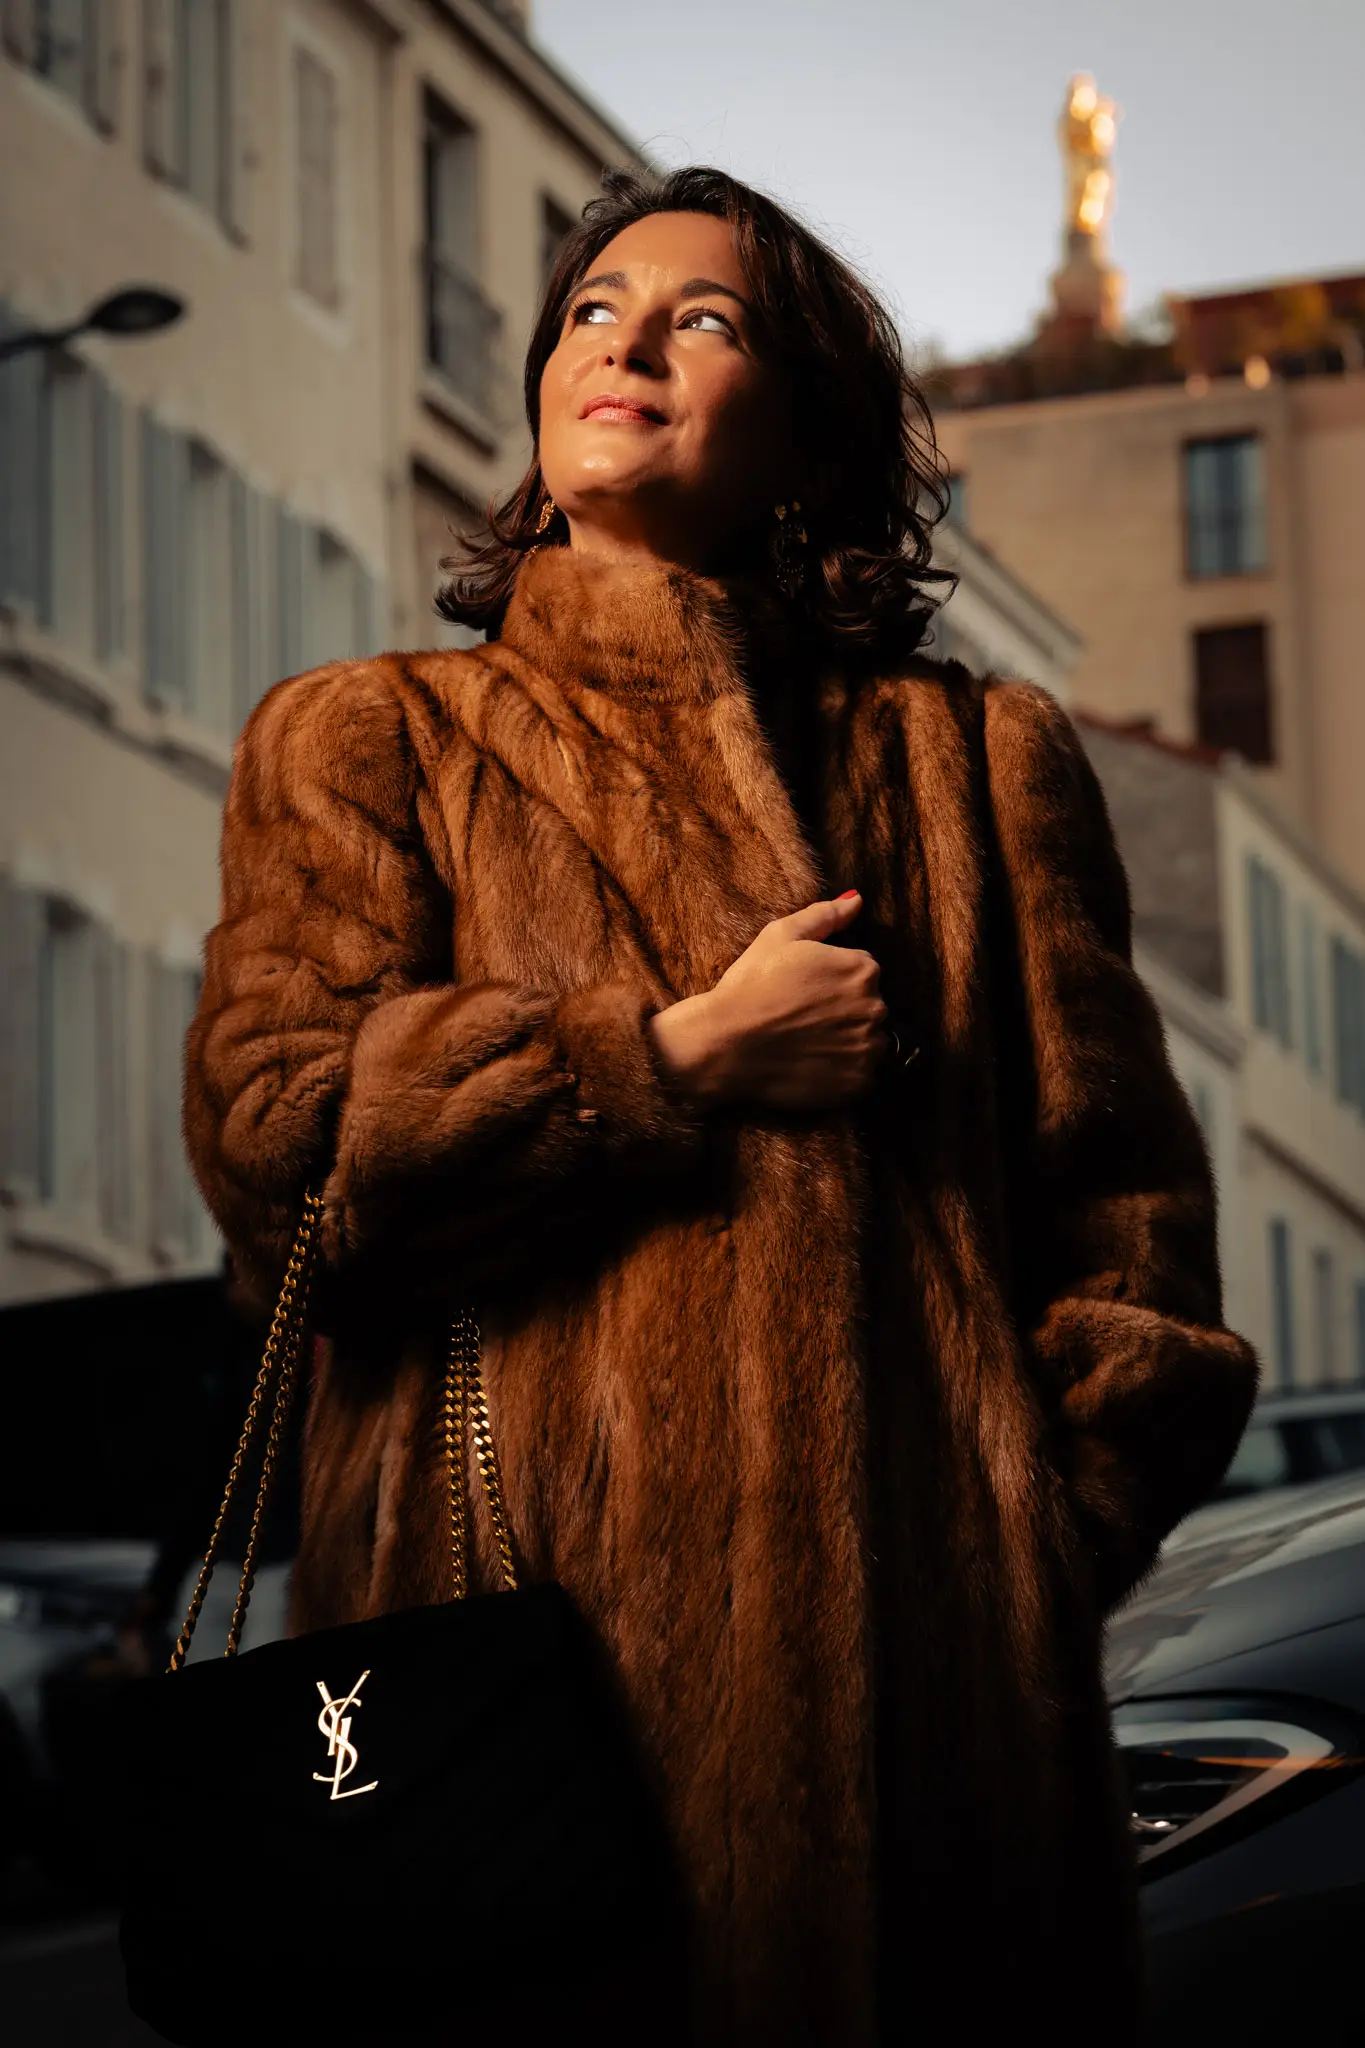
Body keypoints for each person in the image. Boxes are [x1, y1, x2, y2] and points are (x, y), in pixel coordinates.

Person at [182, 166, 1259, 2046]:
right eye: (596, 308)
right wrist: (662, 1061)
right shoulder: (376, 739)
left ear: (810, 433)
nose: (628, 342)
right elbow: (285, 1172)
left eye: (707, 317)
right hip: (514, 1730)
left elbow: (1134, 1243)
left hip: (947, 1771)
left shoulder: (980, 767)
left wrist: (1014, 1561)